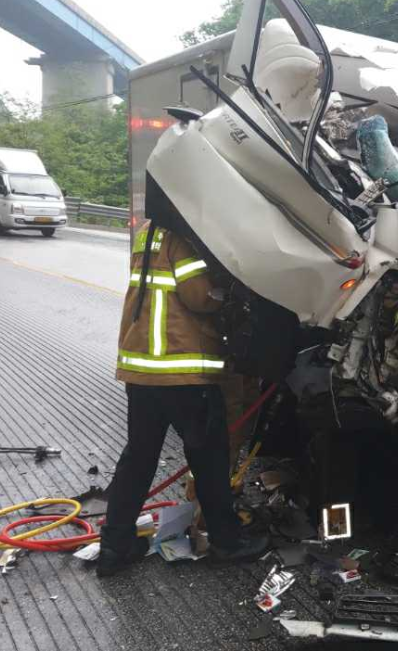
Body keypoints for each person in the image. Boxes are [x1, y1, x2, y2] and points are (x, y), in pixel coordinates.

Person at [99, 220, 271, 577]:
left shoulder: (149, 233)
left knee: (139, 458)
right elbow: (199, 296)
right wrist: (230, 293)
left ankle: (114, 546)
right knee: (209, 456)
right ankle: (227, 542)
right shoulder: (183, 238)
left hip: (142, 370)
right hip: (181, 371)